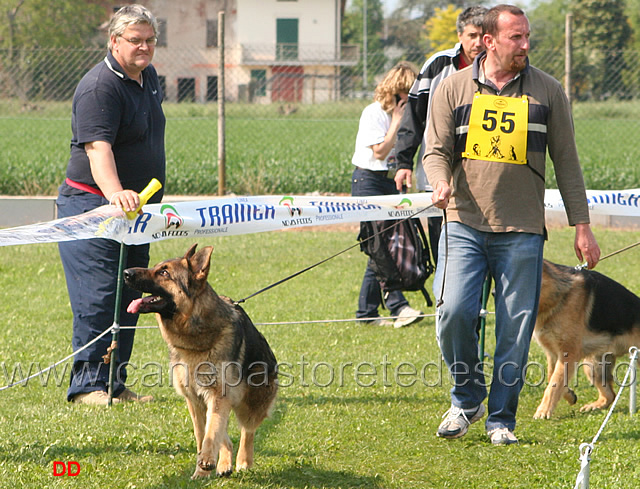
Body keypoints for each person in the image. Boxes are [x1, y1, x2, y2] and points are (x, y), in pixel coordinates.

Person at [424, 4, 600, 445]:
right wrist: (441, 180)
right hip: (463, 221)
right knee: (452, 313)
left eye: (526, 36)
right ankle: (467, 398)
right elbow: (435, 150)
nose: (525, 44)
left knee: (515, 327)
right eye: (515, 37)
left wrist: (582, 225)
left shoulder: (548, 91)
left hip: (521, 229)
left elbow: (568, 162)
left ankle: (501, 419)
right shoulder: (453, 88)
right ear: (489, 41)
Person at [57, 4, 166, 405]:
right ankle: (87, 386)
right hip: (92, 208)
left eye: (150, 40)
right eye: (135, 41)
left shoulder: (148, 76)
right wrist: (116, 192)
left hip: (137, 213)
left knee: (131, 295)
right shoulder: (99, 87)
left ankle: (114, 384)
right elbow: (97, 148)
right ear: (114, 41)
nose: (144, 47)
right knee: (99, 296)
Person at [395, 6, 487, 266]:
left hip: (486, 180)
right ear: (460, 36)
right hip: (440, 178)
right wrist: (403, 163)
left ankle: (479, 304)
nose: (478, 42)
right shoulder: (437, 66)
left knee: (485, 250)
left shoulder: (501, 68)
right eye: (471, 35)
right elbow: (413, 116)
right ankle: (446, 303)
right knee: (444, 248)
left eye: (483, 35)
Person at [351, 61, 424, 328]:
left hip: (392, 182)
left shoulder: (411, 114)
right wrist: (396, 120)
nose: (407, 99)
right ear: (392, 92)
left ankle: (367, 312)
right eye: (403, 93)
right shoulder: (374, 113)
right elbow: (380, 152)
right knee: (379, 247)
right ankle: (397, 306)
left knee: (389, 247)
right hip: (369, 180)